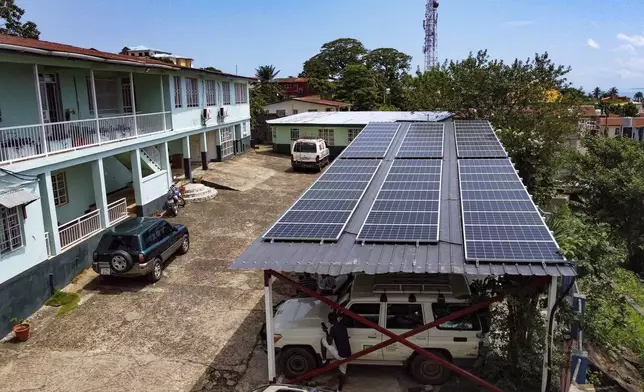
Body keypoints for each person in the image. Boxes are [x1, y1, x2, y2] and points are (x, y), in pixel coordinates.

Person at [320, 312, 351, 392]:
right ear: (338, 318)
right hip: (348, 354)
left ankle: (324, 360)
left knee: (323, 340)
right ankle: (339, 390)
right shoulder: (343, 325)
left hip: (340, 355)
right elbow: (342, 317)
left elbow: (329, 342)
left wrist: (326, 331)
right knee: (343, 372)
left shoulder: (333, 329)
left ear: (329, 322)